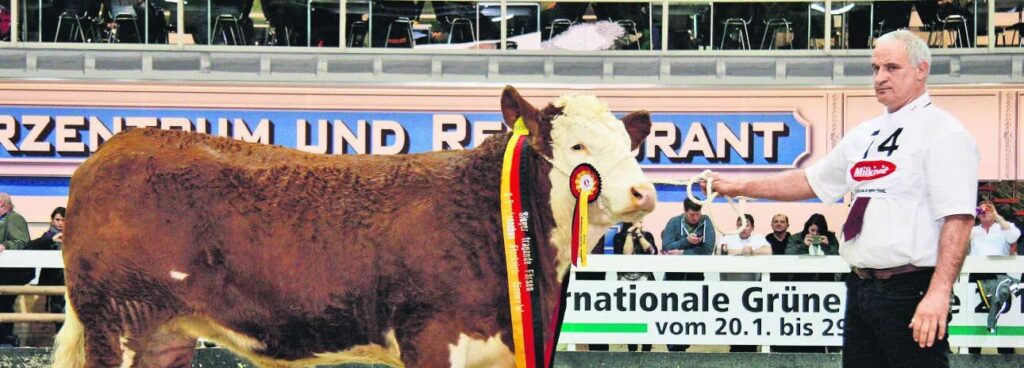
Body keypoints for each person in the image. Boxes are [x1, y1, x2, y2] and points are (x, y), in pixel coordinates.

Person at [704, 30, 979, 367]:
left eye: (892, 68)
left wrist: (939, 294)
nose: (880, 78)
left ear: (922, 69)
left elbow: (959, 218)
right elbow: (808, 181)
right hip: (861, 285)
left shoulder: (944, 133)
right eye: (875, 68)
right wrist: (738, 187)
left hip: (911, 288)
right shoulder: (865, 135)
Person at [578, 222, 658, 352]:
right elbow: (626, 255)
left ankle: (646, 350)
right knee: (631, 319)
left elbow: (652, 252)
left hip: (646, 284)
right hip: (626, 285)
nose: (640, 222)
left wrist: (638, 234)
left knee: (647, 318)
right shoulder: (619, 237)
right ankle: (632, 351)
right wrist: (629, 234)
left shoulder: (647, 235)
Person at [661, 198, 714, 352]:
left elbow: (707, 250)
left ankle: (682, 345)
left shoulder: (706, 222)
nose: (696, 218)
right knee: (672, 313)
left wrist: (682, 252)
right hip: (673, 277)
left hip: (695, 277)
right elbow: (667, 246)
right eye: (692, 215)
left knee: (691, 315)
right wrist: (686, 241)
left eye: (698, 214)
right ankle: (674, 347)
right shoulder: (674, 222)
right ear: (685, 211)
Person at [966, 200, 1019, 354]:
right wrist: (972, 216)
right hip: (976, 277)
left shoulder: (1003, 228)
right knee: (975, 317)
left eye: (987, 211)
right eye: (981, 212)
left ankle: (1006, 355)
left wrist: (996, 215)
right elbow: (960, 240)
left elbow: (1014, 236)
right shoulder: (974, 230)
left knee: (1002, 315)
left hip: (999, 276)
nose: (984, 213)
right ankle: (973, 355)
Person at [0, 193, 31, 346]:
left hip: (10, 274)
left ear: (1, 203)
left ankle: (5, 340)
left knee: (4, 304)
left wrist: (5, 246)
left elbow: (22, 240)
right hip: (4, 273)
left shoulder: (14, 218)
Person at [28, 207, 66, 331]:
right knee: (57, 310)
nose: (60, 223)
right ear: (52, 221)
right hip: (54, 281)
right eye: (57, 219)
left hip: (71, 281)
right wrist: (50, 240)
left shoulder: (76, 235)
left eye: (63, 220)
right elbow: (31, 246)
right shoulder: (48, 235)